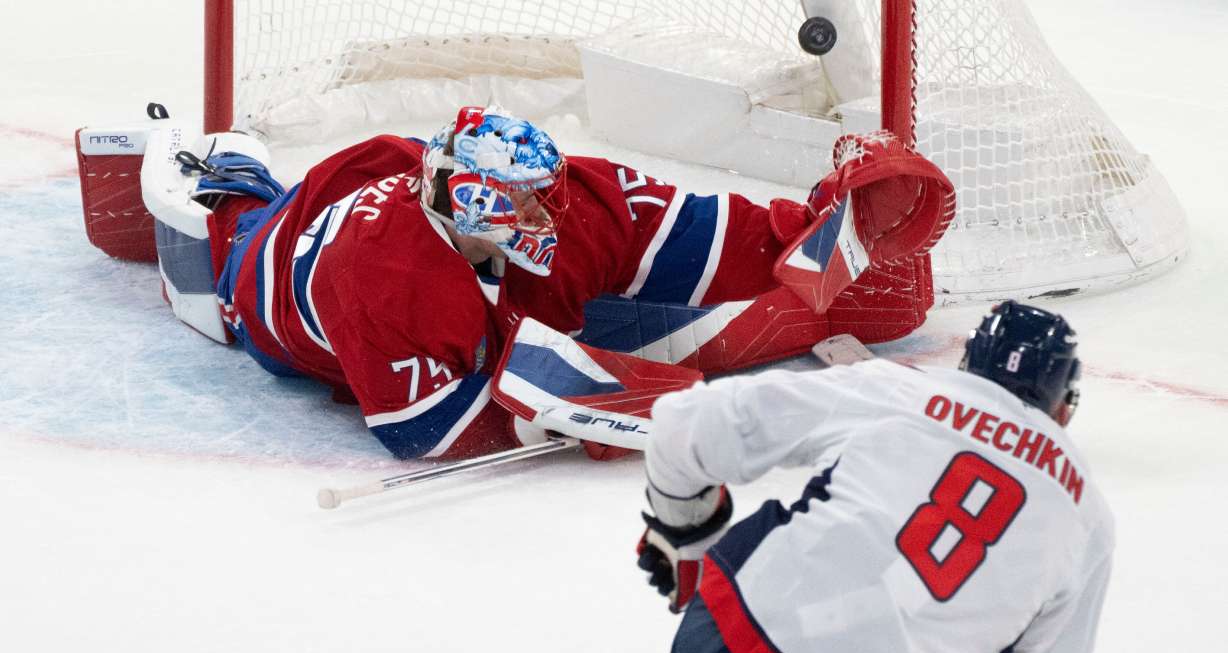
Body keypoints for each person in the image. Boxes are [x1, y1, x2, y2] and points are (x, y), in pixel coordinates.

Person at [147, 106, 953, 461]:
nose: (552, 207)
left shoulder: (563, 202)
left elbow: (681, 228)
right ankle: (230, 181)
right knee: (244, 233)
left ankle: (249, 182)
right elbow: (428, 430)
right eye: (530, 197)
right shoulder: (384, 287)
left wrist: (811, 228)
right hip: (273, 279)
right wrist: (594, 407)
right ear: (475, 198)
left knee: (582, 259)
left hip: (374, 174)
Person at [636, 301, 1114, 653]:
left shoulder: (900, 390)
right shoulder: (1089, 517)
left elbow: (686, 425)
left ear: (969, 364)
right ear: (1064, 409)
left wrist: (687, 538)